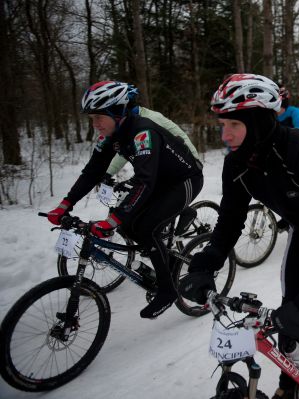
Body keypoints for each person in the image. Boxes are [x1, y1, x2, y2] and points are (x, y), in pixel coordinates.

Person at [177, 74, 299, 398]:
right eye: (222, 125)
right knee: (290, 306)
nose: (225, 135)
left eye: (233, 125)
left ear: (259, 120)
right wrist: (206, 263)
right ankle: (292, 384)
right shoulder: (236, 164)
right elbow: (230, 220)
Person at [45, 81, 204, 318]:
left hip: (185, 180)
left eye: (99, 117)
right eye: (91, 118)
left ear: (118, 113)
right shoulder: (112, 135)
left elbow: (144, 182)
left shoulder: (143, 132)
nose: (95, 124)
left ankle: (168, 291)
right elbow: (92, 172)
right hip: (160, 181)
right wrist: (65, 204)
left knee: (145, 227)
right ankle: (163, 254)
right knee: (130, 226)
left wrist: (114, 219)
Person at [100, 84, 201, 183]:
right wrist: (108, 173)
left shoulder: (149, 120)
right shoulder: (130, 124)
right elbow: (124, 151)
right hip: (166, 162)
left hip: (188, 162)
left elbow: (146, 156)